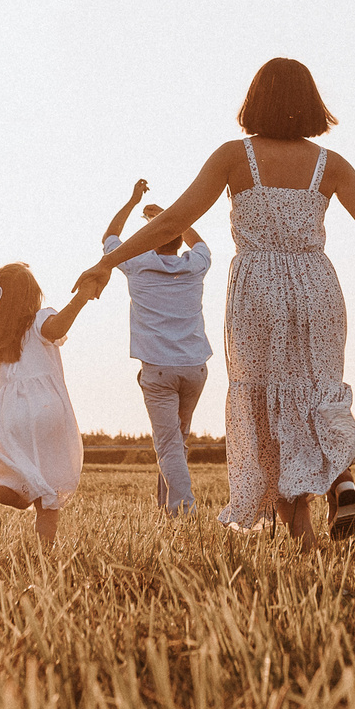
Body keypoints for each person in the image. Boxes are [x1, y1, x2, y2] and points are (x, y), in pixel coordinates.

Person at [75, 57, 355, 549]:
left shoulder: (233, 157)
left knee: (266, 410)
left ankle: (304, 539)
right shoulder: (330, 164)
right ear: (311, 103)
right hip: (316, 288)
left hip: (257, 291)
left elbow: (171, 221)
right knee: (319, 391)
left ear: (255, 101)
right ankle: (341, 478)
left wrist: (108, 263)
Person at [0, 262, 98, 547]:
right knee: (48, 496)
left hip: (8, 418)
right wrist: (81, 297)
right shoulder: (40, 320)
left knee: (23, 489)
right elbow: (57, 328)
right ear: (32, 295)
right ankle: (43, 555)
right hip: (45, 412)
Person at [101, 177, 213, 516]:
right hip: (195, 368)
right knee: (177, 442)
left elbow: (110, 237)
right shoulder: (196, 265)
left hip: (159, 370)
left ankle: (183, 511)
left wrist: (133, 202)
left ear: (149, 240)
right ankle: (167, 508)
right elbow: (198, 242)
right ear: (178, 240)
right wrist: (169, 216)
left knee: (168, 445)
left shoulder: (135, 264)